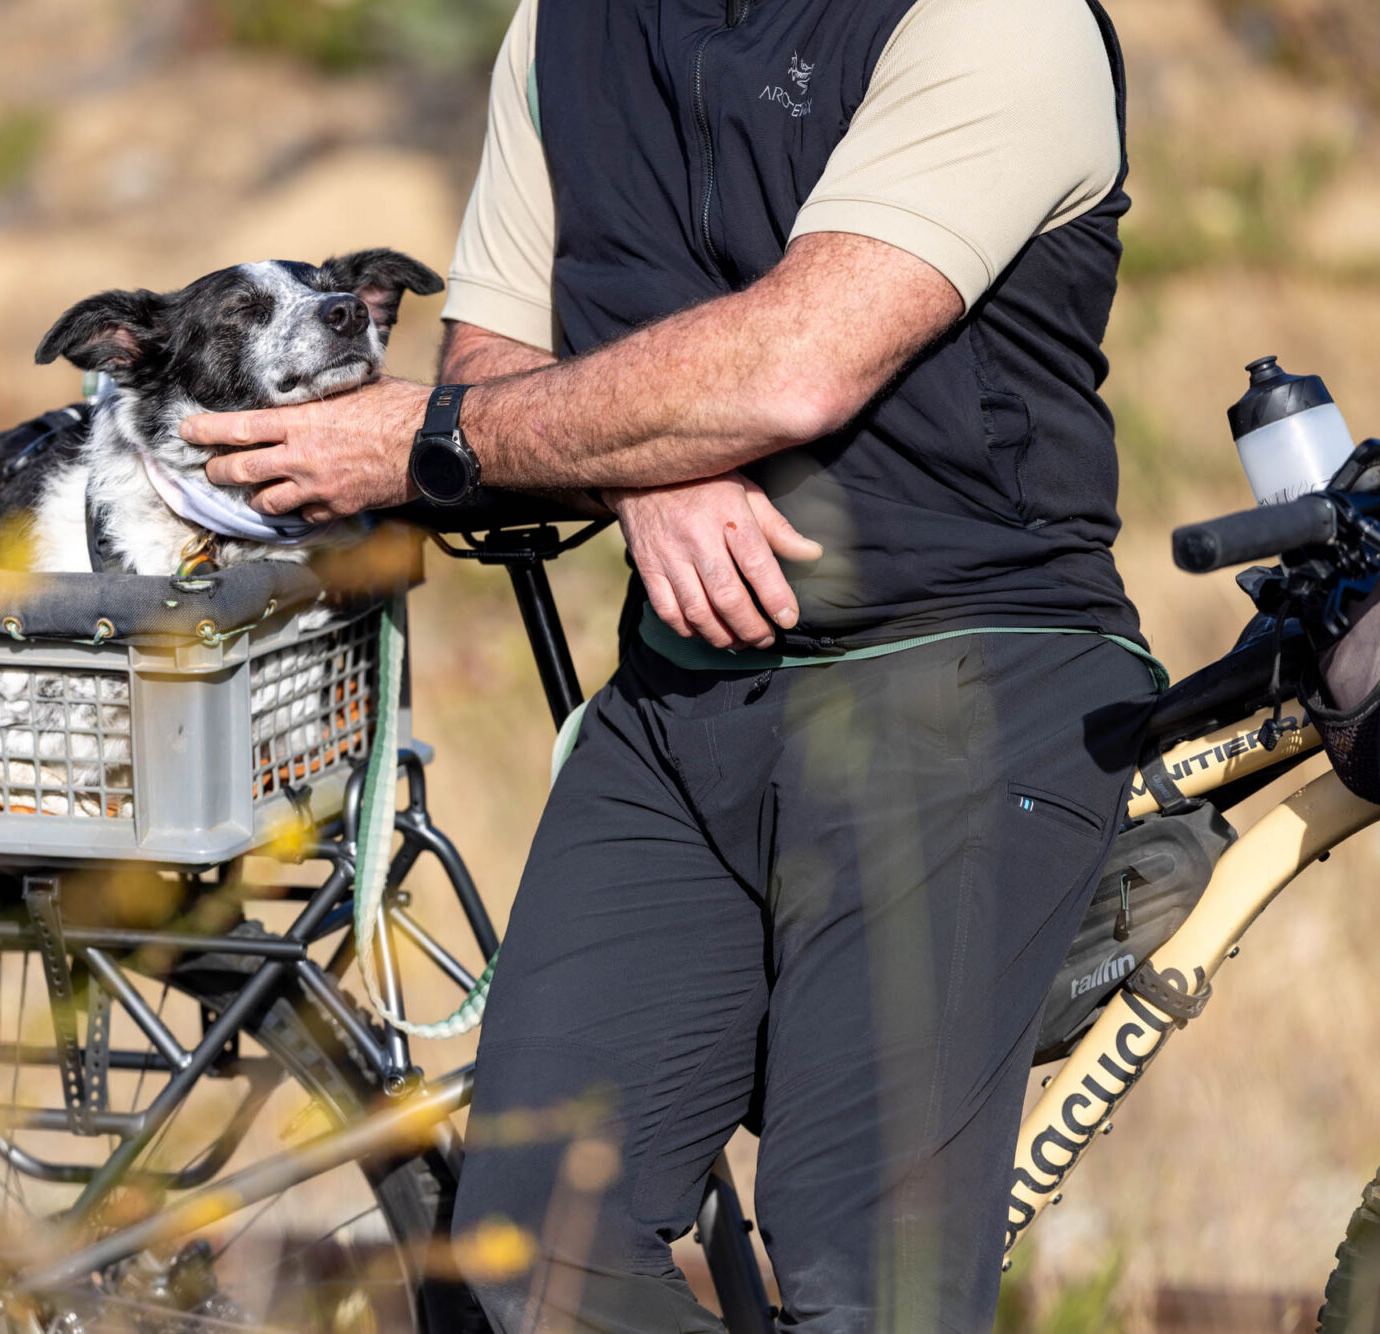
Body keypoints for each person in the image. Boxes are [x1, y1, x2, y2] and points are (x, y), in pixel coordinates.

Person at [180, 0, 1162, 1327]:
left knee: (854, 1284)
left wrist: (498, 436)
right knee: (522, 1261)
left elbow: (797, 363)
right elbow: (492, 352)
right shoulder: (561, 28)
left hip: (964, 670)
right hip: (684, 692)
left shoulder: (993, 21)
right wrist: (646, 468)